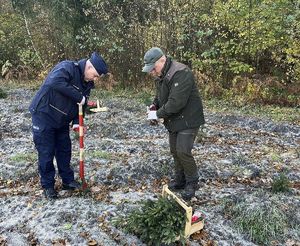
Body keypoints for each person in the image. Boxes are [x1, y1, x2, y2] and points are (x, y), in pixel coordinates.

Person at [29, 52, 108, 199]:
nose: (95, 79)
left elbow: (82, 105)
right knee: (46, 152)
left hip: (62, 120)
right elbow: (54, 83)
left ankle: (67, 181)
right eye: (95, 75)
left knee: (64, 151)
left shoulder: (87, 83)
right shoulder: (67, 68)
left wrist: (78, 122)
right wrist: (80, 97)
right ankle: (48, 186)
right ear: (89, 66)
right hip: (44, 114)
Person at [143, 47, 205, 200]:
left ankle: (192, 182)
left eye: (153, 68)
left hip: (188, 118)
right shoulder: (161, 75)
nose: (151, 72)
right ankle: (180, 180)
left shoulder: (181, 73)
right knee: (174, 150)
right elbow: (160, 96)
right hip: (174, 120)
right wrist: (154, 106)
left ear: (162, 60)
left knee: (183, 150)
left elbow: (176, 102)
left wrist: (157, 114)